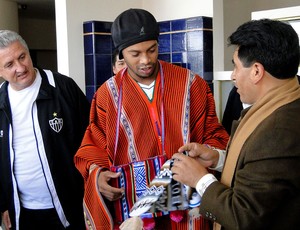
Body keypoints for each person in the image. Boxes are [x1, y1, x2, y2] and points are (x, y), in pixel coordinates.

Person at [74, 8, 229, 230]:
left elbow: (215, 135)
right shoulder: (107, 94)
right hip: (133, 207)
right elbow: (93, 144)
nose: (146, 60)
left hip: (187, 207)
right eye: (135, 54)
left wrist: (209, 152)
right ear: (121, 53)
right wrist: (96, 176)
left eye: (152, 50)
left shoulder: (191, 85)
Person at [171, 18, 300, 230]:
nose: (233, 76)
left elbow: (244, 216)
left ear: (256, 71)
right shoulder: (283, 103)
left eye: (236, 67)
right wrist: (219, 160)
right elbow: (263, 167)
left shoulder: (279, 129)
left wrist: (200, 180)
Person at [0, 30, 90, 230]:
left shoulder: (63, 87)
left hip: (71, 208)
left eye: (22, 56)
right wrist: (3, 204)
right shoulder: (0, 102)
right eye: (9, 64)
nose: (21, 67)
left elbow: (92, 138)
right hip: (23, 213)